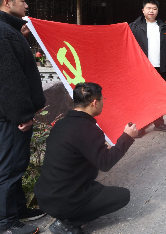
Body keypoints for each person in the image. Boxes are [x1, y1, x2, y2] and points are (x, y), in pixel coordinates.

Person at [35, 82, 138, 234]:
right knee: (122, 196)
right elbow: (105, 163)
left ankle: (67, 215)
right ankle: (66, 224)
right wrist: (127, 137)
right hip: (64, 201)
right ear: (95, 103)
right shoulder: (88, 129)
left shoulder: (61, 124)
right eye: (102, 99)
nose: (103, 103)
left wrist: (102, 150)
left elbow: (76, 151)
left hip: (44, 197)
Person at [0, 0, 47, 234]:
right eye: (23, 0)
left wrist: (21, 36)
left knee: (17, 165)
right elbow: (10, 79)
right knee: (9, 168)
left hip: (11, 114)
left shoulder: (9, 30)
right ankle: (6, 223)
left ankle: (18, 210)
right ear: (7, 2)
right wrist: (22, 115)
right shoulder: (4, 33)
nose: (27, 5)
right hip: (11, 116)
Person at [129, 0, 166, 136]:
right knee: (142, 97)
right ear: (143, 10)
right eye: (148, 8)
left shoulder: (164, 27)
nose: (151, 11)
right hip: (142, 68)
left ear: (157, 11)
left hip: (160, 67)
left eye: (154, 9)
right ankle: (142, 125)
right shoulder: (134, 27)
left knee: (158, 96)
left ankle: (159, 123)